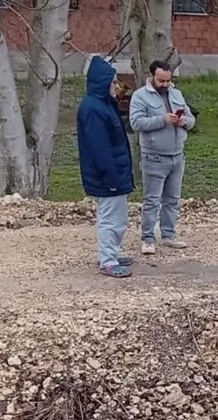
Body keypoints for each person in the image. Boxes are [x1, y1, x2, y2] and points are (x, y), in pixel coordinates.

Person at [77, 56, 135, 278]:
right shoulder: (93, 109)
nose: (116, 86)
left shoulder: (103, 105)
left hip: (115, 172)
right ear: (103, 82)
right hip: (107, 175)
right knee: (110, 218)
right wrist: (110, 176)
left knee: (117, 218)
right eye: (113, 82)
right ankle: (108, 261)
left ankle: (111, 253)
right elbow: (99, 147)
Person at [129, 59, 194, 255]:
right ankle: (148, 238)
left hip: (177, 155)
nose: (165, 84)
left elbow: (192, 119)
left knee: (172, 199)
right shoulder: (140, 96)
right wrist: (162, 119)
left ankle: (168, 235)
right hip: (154, 156)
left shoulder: (177, 94)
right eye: (161, 81)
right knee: (152, 200)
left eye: (168, 80)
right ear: (152, 77)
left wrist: (184, 121)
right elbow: (136, 123)